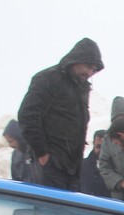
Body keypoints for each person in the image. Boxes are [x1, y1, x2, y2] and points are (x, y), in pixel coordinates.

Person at [17, 38, 103, 191]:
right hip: (50, 163)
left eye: (94, 70)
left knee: (67, 213)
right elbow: (27, 116)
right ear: (77, 60)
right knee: (48, 210)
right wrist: (42, 153)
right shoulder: (48, 79)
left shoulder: (81, 88)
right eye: (88, 66)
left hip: (72, 167)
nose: (90, 73)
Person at [79, 129, 111, 197]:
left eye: (104, 148)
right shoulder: (81, 165)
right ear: (93, 144)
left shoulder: (115, 168)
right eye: (98, 147)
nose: (101, 151)